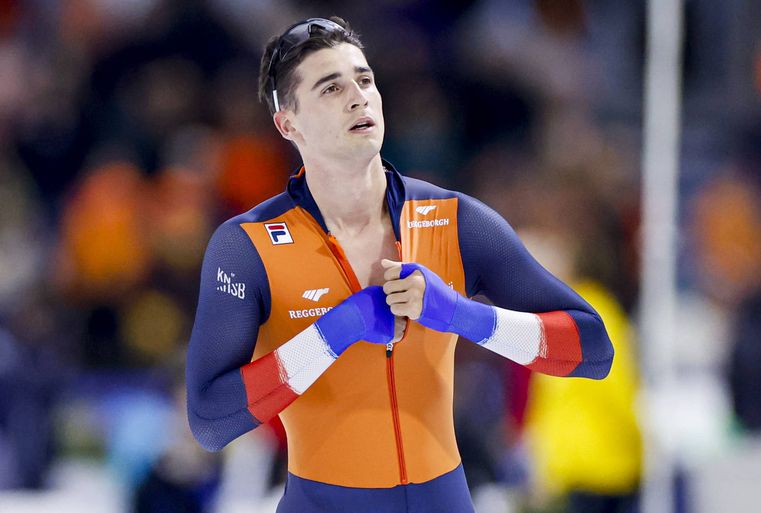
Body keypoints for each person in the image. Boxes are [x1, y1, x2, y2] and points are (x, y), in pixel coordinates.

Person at [186, 17, 614, 513]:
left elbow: (593, 349)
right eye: (331, 87)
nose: (358, 96)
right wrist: (333, 335)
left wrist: (463, 316)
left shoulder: (456, 221)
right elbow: (211, 421)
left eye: (364, 79)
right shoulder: (247, 246)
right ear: (289, 123)